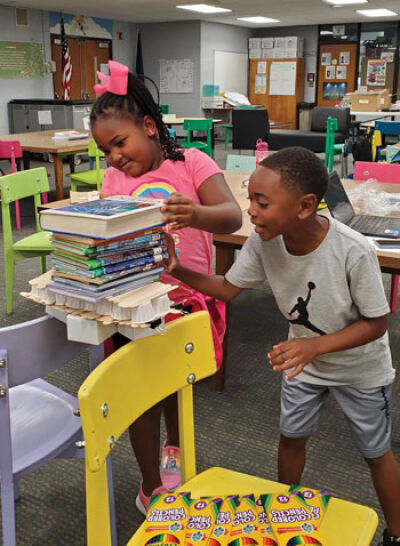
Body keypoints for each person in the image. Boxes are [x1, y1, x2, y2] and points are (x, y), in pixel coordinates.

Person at [165, 146, 400, 546]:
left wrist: (315, 347)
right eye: (250, 197)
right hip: (302, 363)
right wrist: (177, 270)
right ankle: (284, 516)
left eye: (262, 201)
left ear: (305, 206)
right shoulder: (263, 240)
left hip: (359, 370)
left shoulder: (353, 250)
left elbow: (377, 324)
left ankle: (396, 532)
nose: (251, 211)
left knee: (376, 452)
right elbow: (227, 288)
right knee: (291, 438)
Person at [89, 60, 242, 515]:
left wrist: (194, 213)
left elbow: (232, 216)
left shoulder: (192, 163)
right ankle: (150, 484)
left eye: (120, 142)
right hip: (133, 301)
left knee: (178, 384)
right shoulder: (115, 179)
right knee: (141, 394)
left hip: (186, 299)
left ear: (150, 127)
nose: (114, 157)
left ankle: (174, 449)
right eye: (105, 151)